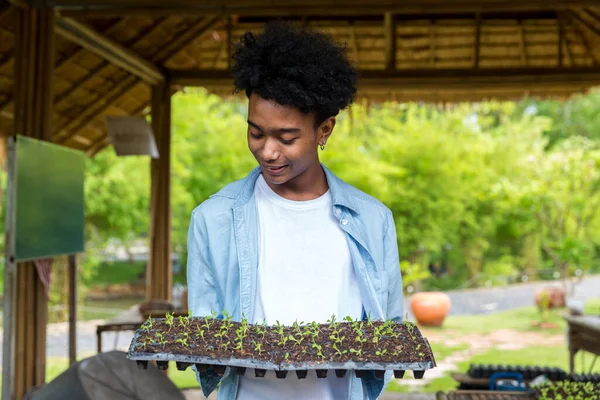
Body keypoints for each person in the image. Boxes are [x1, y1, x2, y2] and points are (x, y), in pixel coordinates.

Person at [187, 21, 403, 400]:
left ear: (324, 130)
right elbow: (205, 332)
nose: (268, 151)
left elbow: (389, 332)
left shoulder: (373, 220)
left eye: (287, 138)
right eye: (255, 132)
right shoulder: (213, 219)